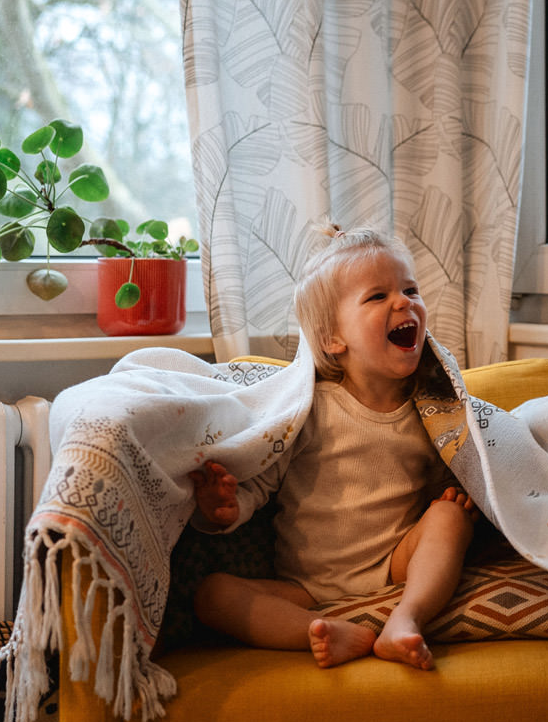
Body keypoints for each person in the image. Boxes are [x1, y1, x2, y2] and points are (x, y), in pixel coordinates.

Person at [189, 226, 477, 671]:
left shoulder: (432, 410)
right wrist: (226, 507)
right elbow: (261, 478)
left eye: (410, 289)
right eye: (377, 296)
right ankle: (318, 631)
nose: (404, 301)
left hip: (394, 566)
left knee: (450, 518)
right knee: (213, 595)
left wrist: (458, 496)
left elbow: (456, 468)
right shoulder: (309, 409)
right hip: (304, 586)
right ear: (331, 340)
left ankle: (406, 618)